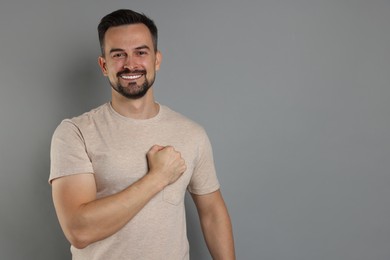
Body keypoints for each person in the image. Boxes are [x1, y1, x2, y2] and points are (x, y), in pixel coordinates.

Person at [49, 9, 235, 260]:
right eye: (118, 55)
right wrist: (157, 177)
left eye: (141, 52)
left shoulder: (191, 133)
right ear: (104, 65)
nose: (130, 64)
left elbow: (212, 212)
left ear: (156, 60)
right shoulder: (75, 133)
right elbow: (79, 230)